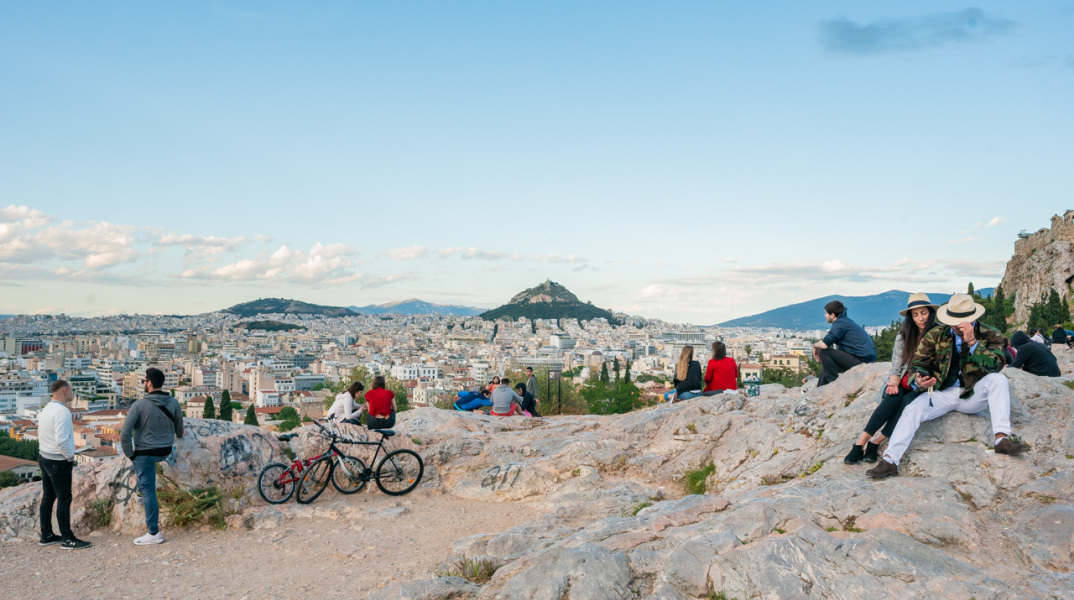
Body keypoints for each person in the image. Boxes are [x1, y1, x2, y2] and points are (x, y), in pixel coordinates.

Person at [866, 294, 1029, 479]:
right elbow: (918, 364)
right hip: (942, 393)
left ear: (973, 319)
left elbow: (996, 365)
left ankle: (1001, 439)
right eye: (952, 321)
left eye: (960, 322)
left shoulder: (990, 334)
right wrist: (919, 380)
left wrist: (972, 342)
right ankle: (889, 461)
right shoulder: (936, 334)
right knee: (912, 409)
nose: (955, 326)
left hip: (973, 393)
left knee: (999, 380)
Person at [844, 294, 937, 465]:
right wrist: (893, 382)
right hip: (903, 379)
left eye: (924, 313)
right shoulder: (904, 336)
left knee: (906, 403)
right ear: (910, 317)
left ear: (930, 313)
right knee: (892, 397)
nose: (920, 318)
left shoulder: (939, 335)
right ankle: (860, 444)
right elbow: (897, 366)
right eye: (915, 315)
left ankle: (876, 442)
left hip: (924, 385)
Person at [120, 368, 184, 545]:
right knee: (146, 483)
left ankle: (153, 532)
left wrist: (130, 455)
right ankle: (142, 491)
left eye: (143, 381)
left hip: (145, 453)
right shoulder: (174, 403)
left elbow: (124, 433)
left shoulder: (139, 405)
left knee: (149, 491)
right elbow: (179, 430)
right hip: (165, 451)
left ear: (149, 383)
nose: (143, 383)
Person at [37, 380, 91, 550]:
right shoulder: (62, 412)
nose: (73, 393)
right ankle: (67, 539)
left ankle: (46, 535)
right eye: (72, 390)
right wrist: (69, 457)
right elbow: (61, 440)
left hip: (44, 456)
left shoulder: (46, 409)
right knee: (64, 498)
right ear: (65, 391)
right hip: (58, 460)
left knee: (48, 497)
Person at [813, 300, 877, 386]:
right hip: (863, 359)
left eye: (826, 313)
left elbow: (824, 345)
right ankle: (820, 388)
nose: (825, 315)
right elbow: (826, 341)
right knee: (827, 364)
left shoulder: (840, 324)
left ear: (832, 315)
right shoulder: (844, 322)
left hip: (862, 361)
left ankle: (834, 385)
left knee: (823, 352)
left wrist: (814, 346)